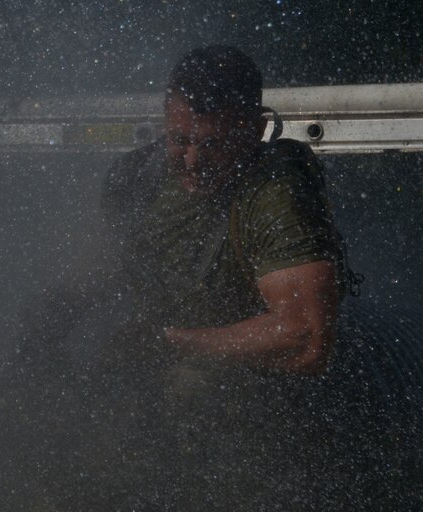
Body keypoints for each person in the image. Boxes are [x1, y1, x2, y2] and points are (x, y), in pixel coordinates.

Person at [100, 45, 349, 510]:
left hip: (250, 400)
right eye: (180, 140)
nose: (193, 161)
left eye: (212, 144)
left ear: (254, 131)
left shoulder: (274, 195)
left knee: (191, 392)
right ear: (165, 120)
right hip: (148, 379)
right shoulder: (139, 178)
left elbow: (306, 339)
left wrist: (175, 343)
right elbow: (89, 272)